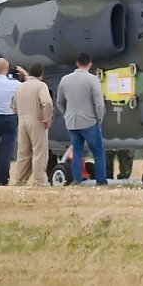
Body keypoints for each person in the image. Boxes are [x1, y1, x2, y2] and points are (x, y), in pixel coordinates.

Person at [57, 52, 108, 185]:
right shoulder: (92, 79)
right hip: (89, 121)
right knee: (98, 151)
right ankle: (101, 181)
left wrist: (66, 114)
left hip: (72, 123)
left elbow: (59, 102)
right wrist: (99, 118)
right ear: (90, 64)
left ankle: (77, 180)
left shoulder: (65, 79)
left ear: (77, 63)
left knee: (77, 152)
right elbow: (99, 103)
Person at [12, 63, 54, 186]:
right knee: (39, 152)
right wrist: (47, 117)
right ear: (41, 74)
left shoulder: (20, 87)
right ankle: (39, 181)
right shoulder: (41, 86)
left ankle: (19, 180)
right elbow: (47, 102)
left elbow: (13, 106)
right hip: (37, 120)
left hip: (22, 120)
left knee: (23, 153)